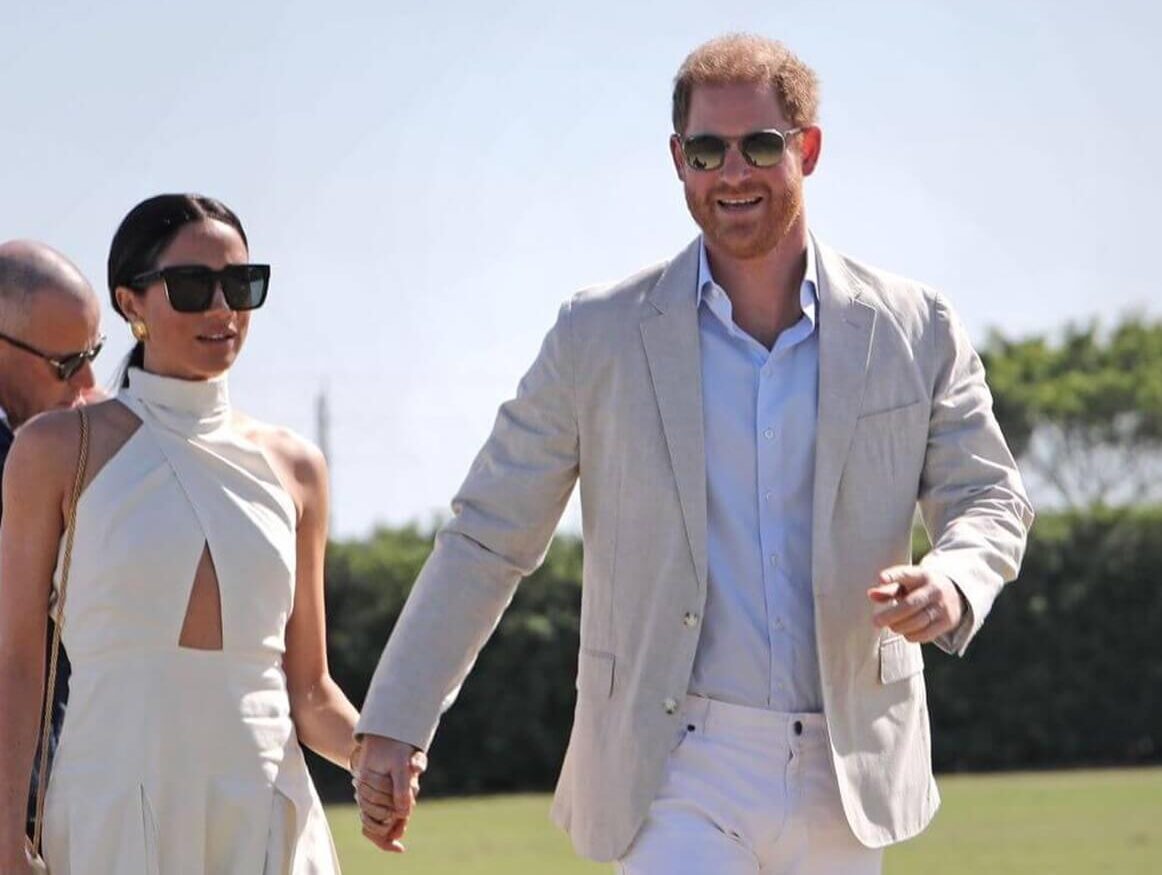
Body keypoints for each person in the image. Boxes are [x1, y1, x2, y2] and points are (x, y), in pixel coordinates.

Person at [355, 33, 1035, 873]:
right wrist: (396, 718)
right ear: (679, 160)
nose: (733, 173)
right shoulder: (595, 335)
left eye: (759, 145)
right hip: (673, 763)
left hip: (848, 762)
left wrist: (955, 577)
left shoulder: (915, 326)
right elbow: (489, 534)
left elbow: (990, 497)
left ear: (807, 148)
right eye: (708, 151)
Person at [0, 194, 359, 873]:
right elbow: (17, 661)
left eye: (240, 285)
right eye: (193, 287)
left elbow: (310, 690)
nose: (222, 309)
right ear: (131, 303)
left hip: (264, 809)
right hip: (112, 806)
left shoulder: (299, 468)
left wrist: (375, 753)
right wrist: (3, 839)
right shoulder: (56, 449)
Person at [0, 240, 103, 842]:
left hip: (54, 799)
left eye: (93, 354)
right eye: (66, 364)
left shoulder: (72, 444)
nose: (87, 382)